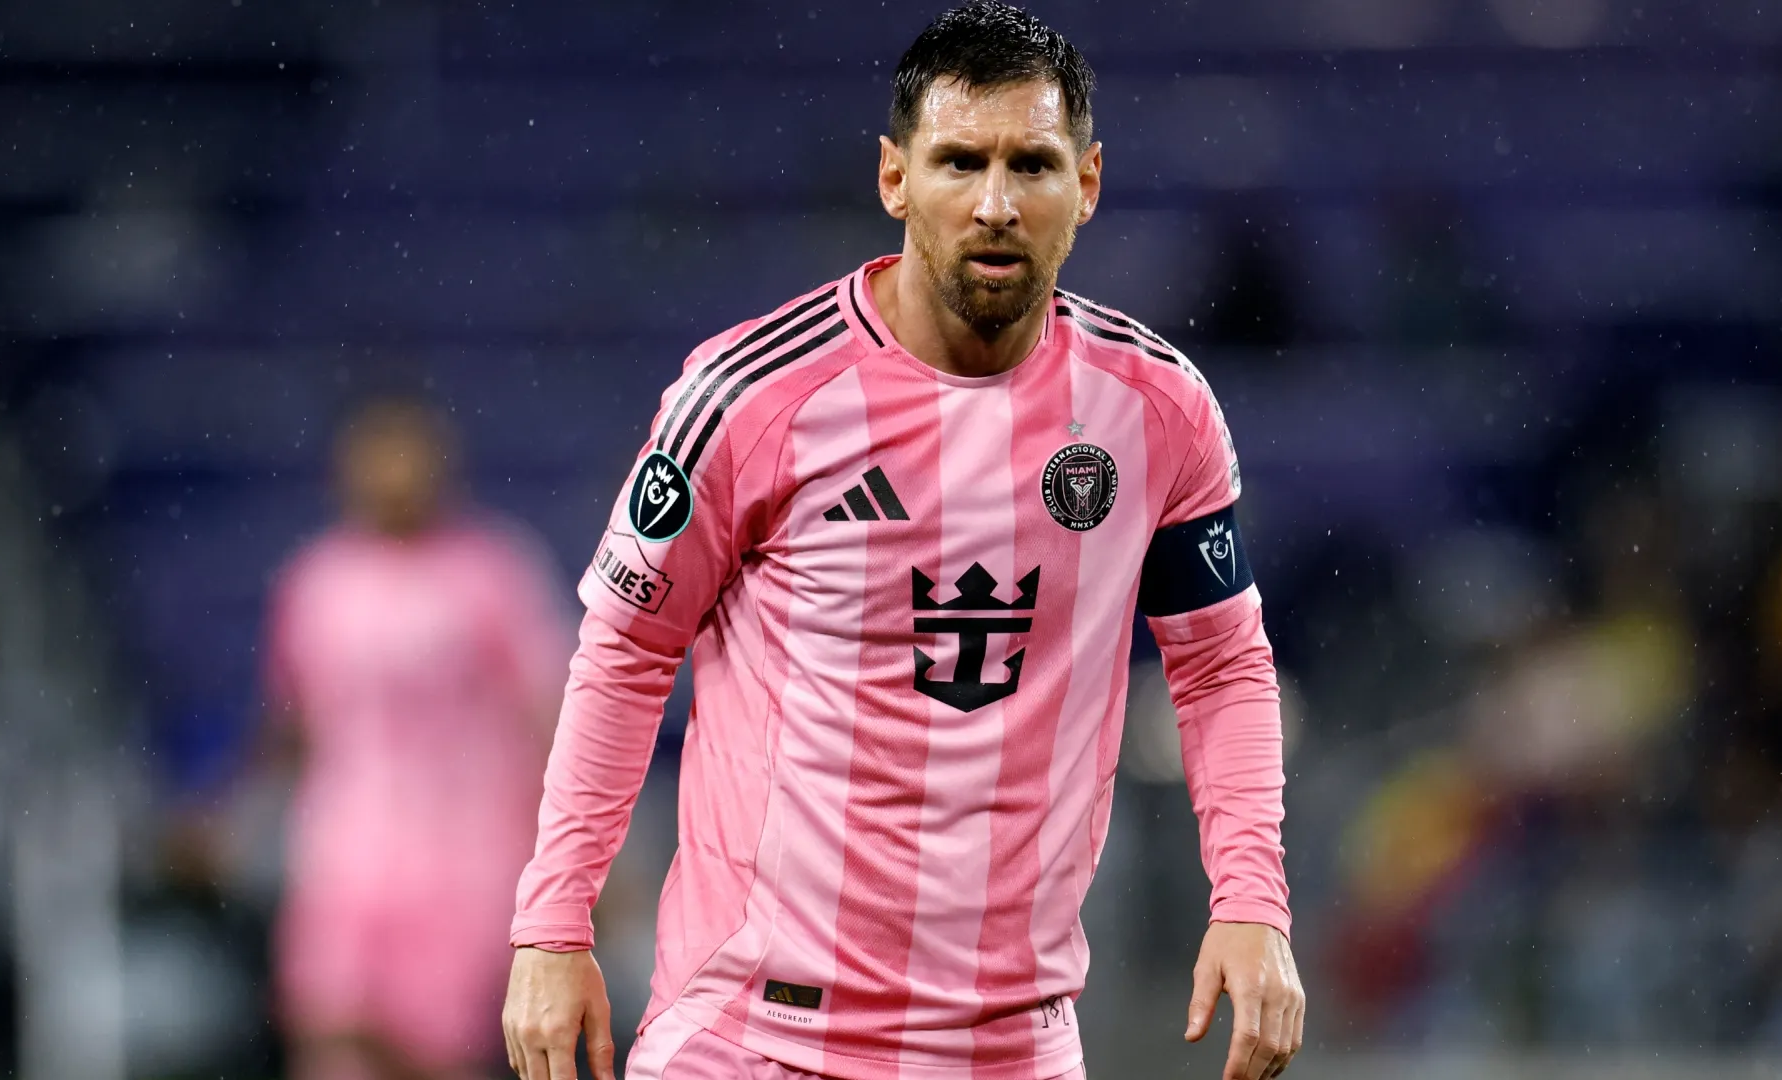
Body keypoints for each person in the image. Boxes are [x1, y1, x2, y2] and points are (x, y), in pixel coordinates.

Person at [503, 4, 1303, 1079]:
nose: (994, 203)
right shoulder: (751, 395)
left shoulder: (1155, 409)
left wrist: (1252, 901)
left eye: (1033, 164)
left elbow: (1219, 667)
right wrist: (553, 926)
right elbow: (626, 651)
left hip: (1011, 1045)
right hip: (754, 1032)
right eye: (958, 161)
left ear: (1090, 183)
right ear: (894, 179)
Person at [263, 398, 570, 1080]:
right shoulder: (317, 582)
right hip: (341, 855)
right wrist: (233, 817)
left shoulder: (492, 572)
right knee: (330, 1041)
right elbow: (291, 722)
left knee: (436, 1056)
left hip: (464, 858)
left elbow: (550, 715)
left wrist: (578, 852)